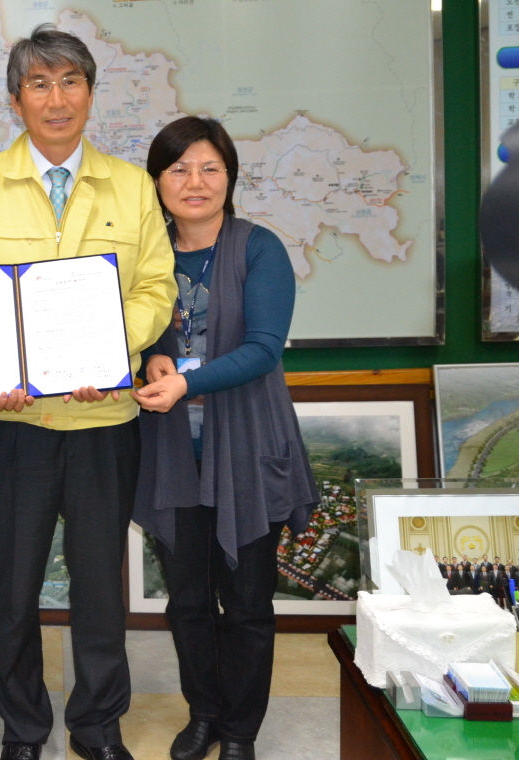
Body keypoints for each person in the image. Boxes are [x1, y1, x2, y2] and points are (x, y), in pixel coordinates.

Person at [0, 25, 176, 760]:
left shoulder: (132, 187)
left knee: (100, 588)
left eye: (71, 81)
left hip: (105, 419)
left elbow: (156, 288)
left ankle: (97, 727)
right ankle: (23, 728)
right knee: (12, 590)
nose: (56, 98)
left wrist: (105, 347)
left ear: (91, 94)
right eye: (39, 84)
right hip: (15, 426)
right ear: (16, 101)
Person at [130, 116, 318, 760]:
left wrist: (187, 382)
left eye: (210, 168)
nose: (196, 181)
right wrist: (150, 360)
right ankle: (204, 714)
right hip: (172, 455)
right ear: (157, 181)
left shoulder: (258, 248)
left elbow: (264, 349)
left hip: (246, 450)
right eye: (179, 168)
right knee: (187, 602)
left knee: (246, 603)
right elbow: (131, 329)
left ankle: (241, 732)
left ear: (230, 177)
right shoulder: (146, 251)